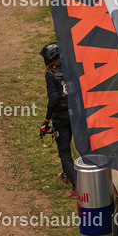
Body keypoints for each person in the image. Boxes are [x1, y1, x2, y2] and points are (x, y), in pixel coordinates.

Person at [40, 42, 76, 198]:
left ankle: (77, 189)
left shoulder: (51, 75)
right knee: (79, 148)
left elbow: (54, 97)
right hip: (76, 115)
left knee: (64, 152)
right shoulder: (71, 71)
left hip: (61, 118)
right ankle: (66, 175)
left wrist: (46, 120)